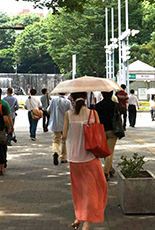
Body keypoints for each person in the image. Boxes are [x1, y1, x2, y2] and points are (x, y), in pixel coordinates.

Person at [62, 92, 107, 230]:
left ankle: (79, 217)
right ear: (86, 98)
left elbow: (64, 136)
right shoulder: (93, 114)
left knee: (79, 190)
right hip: (89, 157)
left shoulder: (68, 114)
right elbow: (98, 133)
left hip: (73, 158)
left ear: (73, 99)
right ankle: (86, 223)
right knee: (94, 189)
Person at [95, 91, 118, 181]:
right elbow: (119, 118)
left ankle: (110, 169)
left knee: (105, 151)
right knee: (109, 151)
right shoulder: (115, 105)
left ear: (102, 94)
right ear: (112, 94)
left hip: (101, 131)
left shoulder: (98, 106)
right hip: (113, 130)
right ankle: (106, 172)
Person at [47, 93, 71, 165]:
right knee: (64, 141)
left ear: (58, 93)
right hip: (65, 124)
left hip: (55, 124)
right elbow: (70, 113)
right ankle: (63, 158)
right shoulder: (67, 102)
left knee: (56, 141)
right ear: (66, 93)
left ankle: (55, 152)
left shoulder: (53, 100)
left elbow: (48, 110)